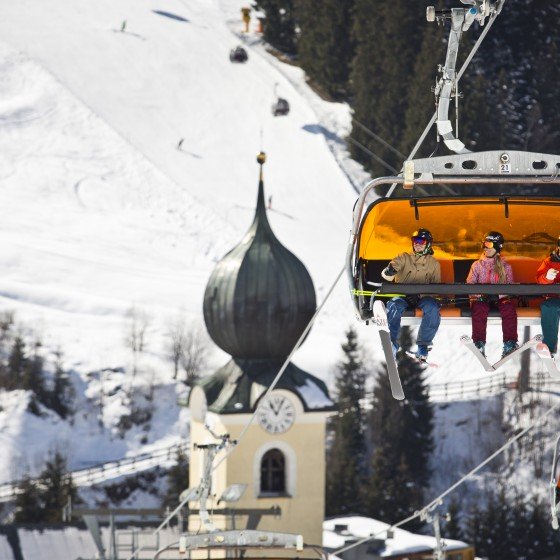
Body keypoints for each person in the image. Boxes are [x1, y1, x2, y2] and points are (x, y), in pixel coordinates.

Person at [381, 228, 441, 362]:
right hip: (402, 296)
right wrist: (389, 272)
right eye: (415, 240)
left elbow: (435, 287)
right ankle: (391, 344)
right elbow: (388, 272)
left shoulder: (434, 264)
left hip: (422, 297)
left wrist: (422, 294)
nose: (417, 243)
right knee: (394, 305)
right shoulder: (403, 257)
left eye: (421, 241)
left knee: (432, 307)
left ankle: (423, 345)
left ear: (428, 244)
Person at [466, 231, 518, 359]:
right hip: (482, 299)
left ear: (497, 247)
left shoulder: (505, 267)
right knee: (479, 308)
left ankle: (510, 343)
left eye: (489, 245)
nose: (485, 248)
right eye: (484, 244)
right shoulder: (477, 265)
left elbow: (510, 287)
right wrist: (480, 295)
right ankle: (479, 342)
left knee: (509, 308)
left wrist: (498, 295)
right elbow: (469, 284)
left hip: (500, 299)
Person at [536, 235, 560, 359]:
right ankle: (549, 348)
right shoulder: (549, 261)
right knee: (549, 307)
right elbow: (539, 280)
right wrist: (548, 277)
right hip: (554, 298)